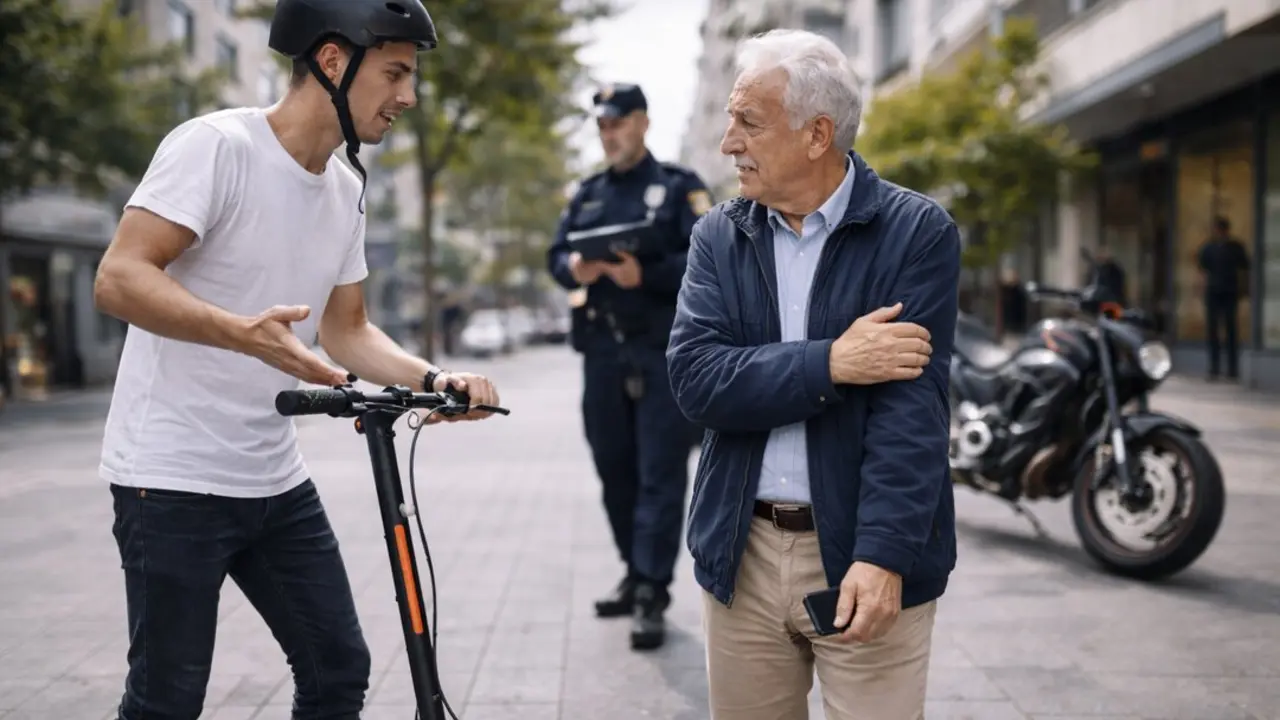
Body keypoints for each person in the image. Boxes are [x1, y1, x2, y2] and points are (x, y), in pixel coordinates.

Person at [91, 1, 501, 717]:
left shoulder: (345, 191)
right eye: (396, 72)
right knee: (168, 700)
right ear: (333, 61)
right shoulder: (217, 146)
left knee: (338, 670)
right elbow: (119, 278)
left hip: (272, 478)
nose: (408, 96)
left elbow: (348, 330)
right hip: (170, 477)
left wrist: (436, 381)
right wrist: (238, 331)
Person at [666, 29, 959, 719]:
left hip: (862, 553)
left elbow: (912, 413)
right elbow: (697, 380)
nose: (728, 142)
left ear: (817, 134)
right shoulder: (718, 236)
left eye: (749, 122)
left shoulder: (916, 233)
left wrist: (884, 556)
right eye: (731, 119)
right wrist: (832, 360)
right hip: (743, 555)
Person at [546, 83, 713, 651]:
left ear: (642, 122)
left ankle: (651, 590)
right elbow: (556, 256)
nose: (608, 133)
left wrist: (648, 275)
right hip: (602, 353)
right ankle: (634, 567)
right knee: (613, 469)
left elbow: (707, 258)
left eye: (617, 122)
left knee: (659, 475)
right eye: (601, 125)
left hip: (661, 352)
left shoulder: (679, 187)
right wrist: (576, 269)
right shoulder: (587, 192)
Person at [1197, 216, 1250, 380]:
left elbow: (1246, 267)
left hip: (1229, 292)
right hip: (1214, 293)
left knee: (1230, 331)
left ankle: (1232, 370)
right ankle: (1214, 369)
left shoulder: (1235, 247)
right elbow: (1202, 269)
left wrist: (1243, 289)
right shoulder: (1209, 247)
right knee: (1213, 331)